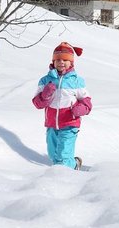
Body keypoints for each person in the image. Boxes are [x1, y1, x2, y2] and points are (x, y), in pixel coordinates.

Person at [32, 42, 92, 170]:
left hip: (70, 122)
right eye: (58, 59)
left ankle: (66, 178)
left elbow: (87, 102)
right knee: (53, 155)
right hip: (52, 123)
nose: (61, 62)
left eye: (65, 59)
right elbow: (37, 103)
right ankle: (75, 164)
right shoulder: (45, 80)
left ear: (71, 63)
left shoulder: (77, 81)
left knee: (63, 158)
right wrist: (45, 95)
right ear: (53, 61)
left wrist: (80, 109)